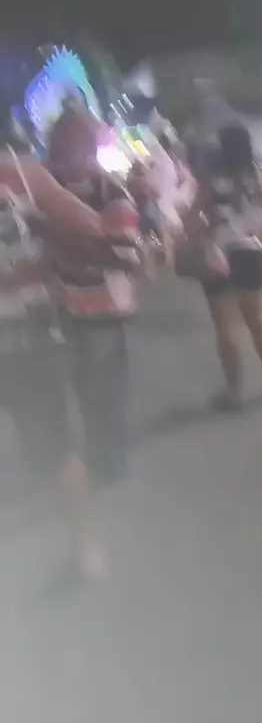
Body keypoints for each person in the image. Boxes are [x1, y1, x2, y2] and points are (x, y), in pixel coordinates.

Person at [0, 115, 109, 579]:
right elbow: (91, 226)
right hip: (29, 333)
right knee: (60, 446)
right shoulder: (24, 174)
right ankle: (86, 553)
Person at [47, 99, 141, 484]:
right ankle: (89, 459)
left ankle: (110, 462)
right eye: (59, 138)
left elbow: (126, 257)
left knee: (104, 393)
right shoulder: (43, 188)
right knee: (75, 391)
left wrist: (61, 239)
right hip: (57, 308)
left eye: (72, 138)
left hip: (101, 309)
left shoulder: (108, 190)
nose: (63, 147)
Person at [184, 123, 262, 409]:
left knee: (225, 327)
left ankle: (235, 392)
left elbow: (192, 216)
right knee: (257, 320)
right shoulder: (260, 176)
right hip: (251, 250)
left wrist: (198, 234)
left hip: (218, 253)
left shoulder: (213, 178)